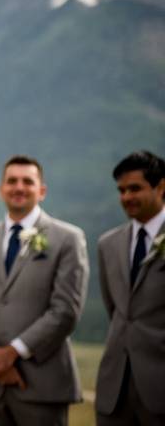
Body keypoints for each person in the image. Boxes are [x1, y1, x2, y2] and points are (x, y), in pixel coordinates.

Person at [0, 155, 88, 425]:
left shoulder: (68, 239)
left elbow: (65, 310)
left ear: (41, 190)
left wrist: (13, 352)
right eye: (12, 181)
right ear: (1, 189)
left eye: (27, 181)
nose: (19, 187)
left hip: (42, 384)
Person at [95, 150, 165, 425]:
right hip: (115, 390)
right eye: (121, 190)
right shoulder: (107, 244)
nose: (126, 197)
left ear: (161, 187)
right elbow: (118, 310)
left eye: (135, 188)